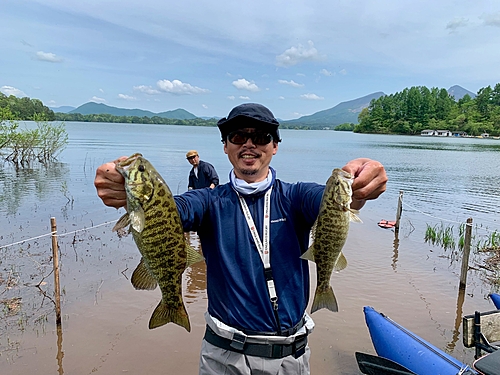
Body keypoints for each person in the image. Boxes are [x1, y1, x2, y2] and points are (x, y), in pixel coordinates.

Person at [94, 103, 388, 375]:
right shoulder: (208, 202)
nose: (249, 143)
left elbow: (333, 204)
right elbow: (170, 210)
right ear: (225, 146)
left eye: (260, 136)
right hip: (224, 357)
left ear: (274, 146)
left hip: (292, 358)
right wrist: (122, 190)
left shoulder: (296, 197)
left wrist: (361, 186)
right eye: (237, 136)